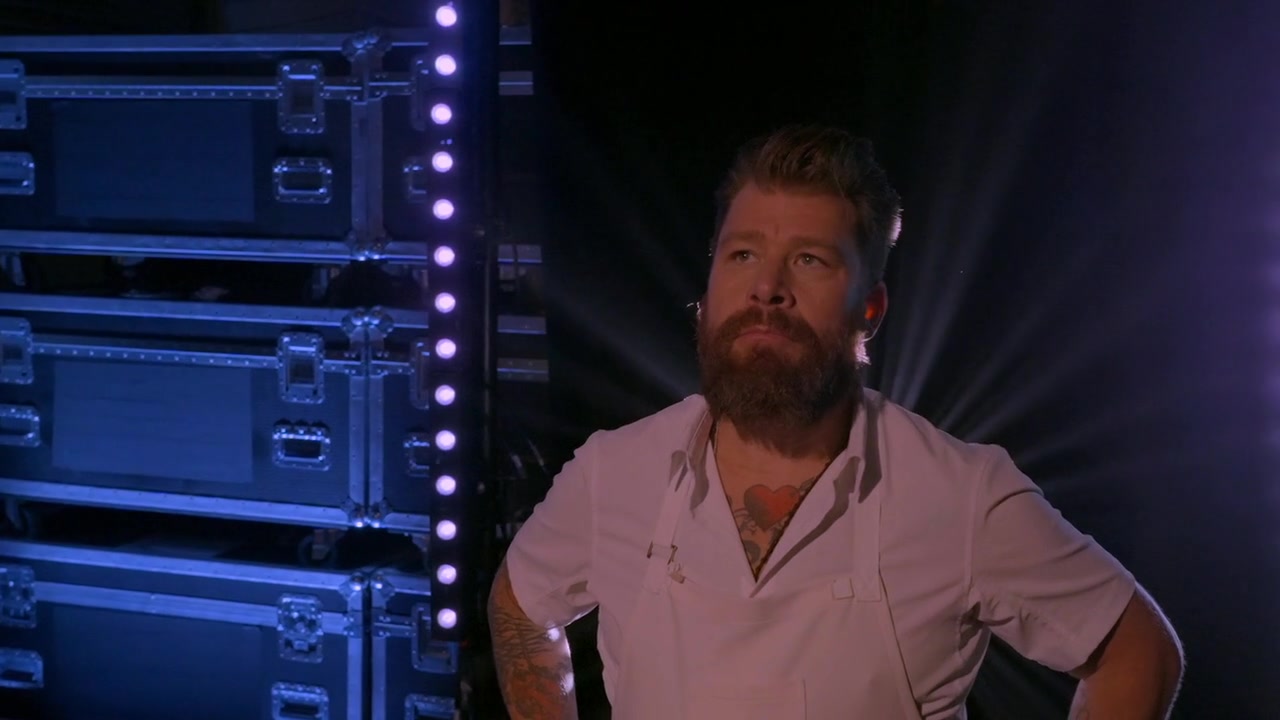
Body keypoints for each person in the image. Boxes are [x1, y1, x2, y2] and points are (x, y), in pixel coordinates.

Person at [487, 124, 1184, 719]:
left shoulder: (961, 494)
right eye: (743, 254)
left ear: (868, 310)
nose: (767, 288)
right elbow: (519, 603)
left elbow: (1137, 651)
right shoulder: (615, 471)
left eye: (809, 260)